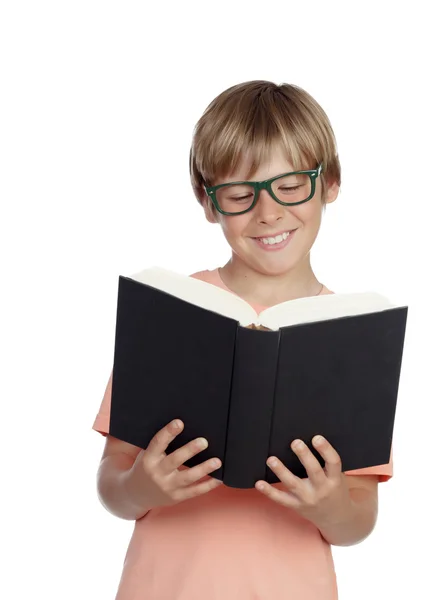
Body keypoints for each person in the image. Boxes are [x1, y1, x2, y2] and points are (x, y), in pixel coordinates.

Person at [93, 80, 393, 600]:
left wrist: (330, 507)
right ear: (209, 203)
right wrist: (142, 487)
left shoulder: (353, 336)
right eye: (239, 194)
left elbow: (358, 519)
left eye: (291, 184)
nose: (268, 212)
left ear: (330, 183)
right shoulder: (171, 313)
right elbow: (111, 482)